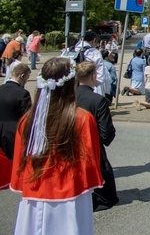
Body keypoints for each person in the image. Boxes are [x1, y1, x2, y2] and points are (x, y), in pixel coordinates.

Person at [11, 57, 103, 234]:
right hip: (71, 195)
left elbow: (20, 160)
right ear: (71, 85)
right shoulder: (82, 119)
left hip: (35, 192)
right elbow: (90, 161)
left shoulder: (27, 120)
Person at [75, 61, 119, 210]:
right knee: (101, 177)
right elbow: (106, 130)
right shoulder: (98, 100)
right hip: (91, 145)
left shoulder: (67, 97)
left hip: (70, 144)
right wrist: (104, 140)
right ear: (93, 76)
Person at [0, 63, 32, 161]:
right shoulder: (23, 93)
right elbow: (28, 117)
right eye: (26, 79)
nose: (25, 82)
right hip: (14, 133)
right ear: (22, 76)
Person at [75, 31, 111, 98]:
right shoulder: (94, 52)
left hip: (72, 89)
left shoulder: (69, 50)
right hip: (91, 88)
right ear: (94, 40)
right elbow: (101, 76)